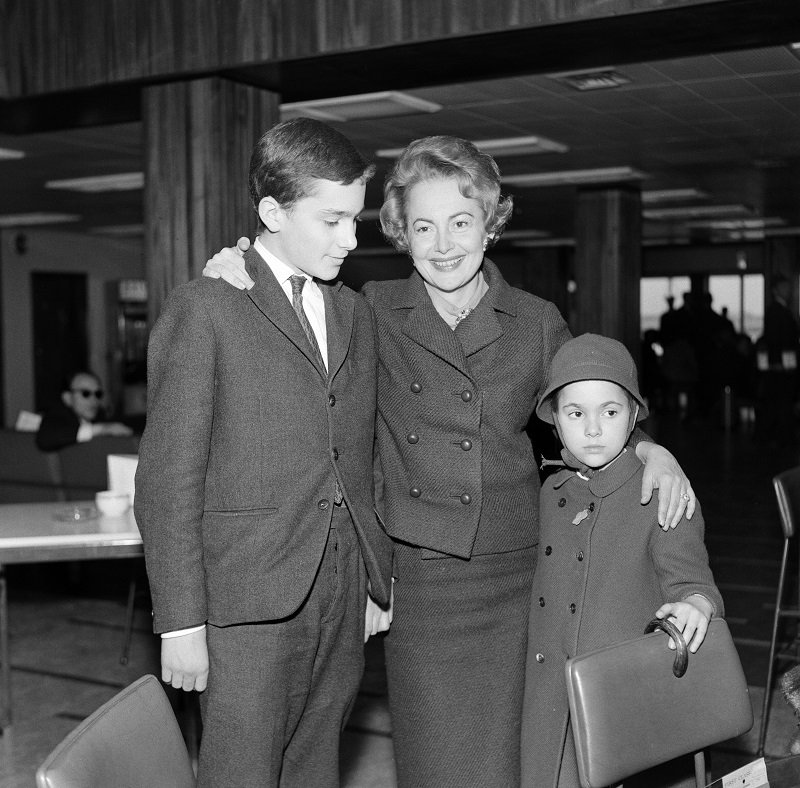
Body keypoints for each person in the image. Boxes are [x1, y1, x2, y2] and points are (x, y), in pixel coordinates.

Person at [204, 134, 695, 787]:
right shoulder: (369, 308)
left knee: (522, 752)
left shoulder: (533, 319)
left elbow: (593, 404)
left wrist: (649, 448)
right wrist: (235, 267)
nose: (443, 245)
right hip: (420, 579)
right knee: (440, 760)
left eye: (461, 222)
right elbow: (284, 304)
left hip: (521, 573)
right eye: (423, 227)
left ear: (490, 224)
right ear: (400, 234)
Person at [134, 118, 393, 788]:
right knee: (241, 773)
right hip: (244, 603)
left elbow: (357, 454)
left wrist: (371, 572)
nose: (350, 238)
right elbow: (168, 479)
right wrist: (181, 621)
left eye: (355, 219)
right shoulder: (207, 307)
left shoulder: (353, 314)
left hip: (338, 593)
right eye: (332, 220)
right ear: (272, 213)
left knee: (316, 766)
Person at [521, 333, 722, 788]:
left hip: (621, 698)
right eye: (575, 414)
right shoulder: (550, 490)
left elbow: (691, 580)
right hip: (550, 694)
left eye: (609, 412)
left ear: (633, 415)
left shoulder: (661, 492)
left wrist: (697, 604)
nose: (592, 429)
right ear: (554, 419)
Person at [35, 369, 133, 452]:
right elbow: (46, 439)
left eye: (98, 394)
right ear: (67, 398)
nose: (94, 400)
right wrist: (101, 429)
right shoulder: (56, 415)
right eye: (85, 393)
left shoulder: (100, 415)